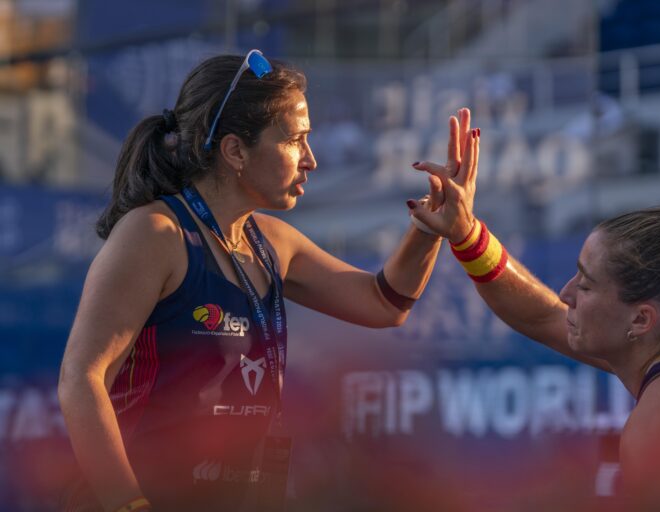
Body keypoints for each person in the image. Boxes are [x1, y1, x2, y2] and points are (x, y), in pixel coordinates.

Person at [57, 49, 479, 512]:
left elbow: (385, 304)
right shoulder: (156, 234)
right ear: (235, 150)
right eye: (295, 140)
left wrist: (428, 228)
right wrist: (129, 503)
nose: (310, 160)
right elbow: (82, 378)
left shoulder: (272, 241)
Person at [410, 158, 660, 500]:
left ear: (641, 320)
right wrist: (466, 234)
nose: (565, 294)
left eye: (585, 285)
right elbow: (540, 315)